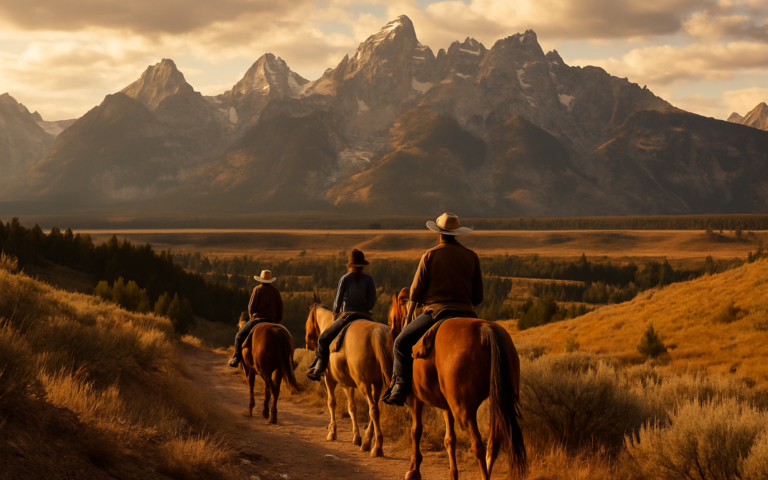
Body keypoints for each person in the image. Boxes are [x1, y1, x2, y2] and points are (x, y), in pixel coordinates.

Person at [383, 213, 483, 406]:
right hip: (466, 313)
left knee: (401, 343)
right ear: (457, 234)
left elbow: (415, 292)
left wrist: (409, 317)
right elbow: (478, 297)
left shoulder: (430, 255)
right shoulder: (472, 256)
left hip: (436, 312)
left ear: (438, 233)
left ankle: (400, 387)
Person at [307, 249, 377, 381]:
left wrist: (335, 316)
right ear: (363, 265)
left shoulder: (345, 279)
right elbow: (373, 298)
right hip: (365, 316)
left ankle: (320, 366)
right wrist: (366, 308)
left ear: (350, 265)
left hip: (347, 315)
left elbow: (337, 301)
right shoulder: (369, 279)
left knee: (323, 338)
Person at [228, 270, 284, 368]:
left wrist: (251, 317)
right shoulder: (276, 291)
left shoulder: (257, 289)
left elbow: (251, 307)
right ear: (270, 280)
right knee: (284, 340)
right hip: (272, 321)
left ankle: (237, 358)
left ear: (261, 280)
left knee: (239, 336)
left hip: (258, 320)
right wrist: (277, 321)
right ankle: (289, 361)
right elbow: (280, 308)